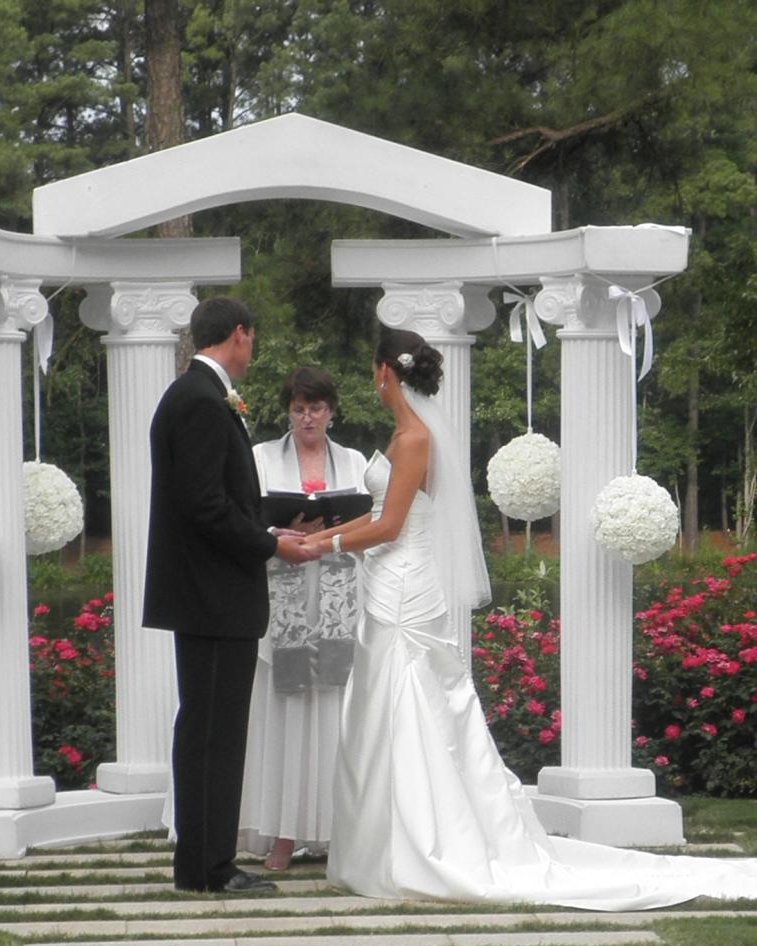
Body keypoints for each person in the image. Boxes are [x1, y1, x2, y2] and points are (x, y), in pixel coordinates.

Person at [303, 327, 757, 910]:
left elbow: (390, 527)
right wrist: (321, 537)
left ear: (384, 372)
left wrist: (326, 548)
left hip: (404, 590)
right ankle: (381, 848)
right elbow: (379, 514)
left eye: (373, 368)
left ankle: (422, 847)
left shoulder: (414, 439)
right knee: (384, 711)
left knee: (412, 712)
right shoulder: (404, 435)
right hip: (387, 583)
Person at [143, 296, 319, 895]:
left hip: (211, 593)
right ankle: (207, 868)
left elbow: (216, 501)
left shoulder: (196, 395)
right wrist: (270, 547)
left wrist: (266, 530)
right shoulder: (198, 400)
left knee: (212, 729)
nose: (253, 349)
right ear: (239, 334)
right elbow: (203, 505)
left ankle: (207, 862)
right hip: (212, 595)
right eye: (253, 338)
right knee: (212, 732)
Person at [238, 367, 368, 871]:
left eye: (316, 408)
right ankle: (284, 833)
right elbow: (245, 515)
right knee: (287, 709)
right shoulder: (262, 457)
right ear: (287, 411)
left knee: (334, 708)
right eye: (298, 408)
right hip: (284, 587)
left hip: (337, 591)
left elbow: (371, 517)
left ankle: (337, 829)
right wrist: (284, 528)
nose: (307, 417)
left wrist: (330, 529)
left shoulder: (354, 461)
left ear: (332, 411)